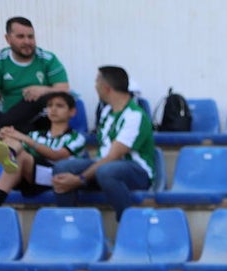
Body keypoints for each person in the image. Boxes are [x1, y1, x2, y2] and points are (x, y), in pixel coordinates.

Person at [50, 66, 155, 220]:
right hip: (104, 169)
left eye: (96, 81)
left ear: (106, 88)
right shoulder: (107, 112)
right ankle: (69, 227)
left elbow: (113, 157)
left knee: (106, 170)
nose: (95, 86)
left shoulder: (134, 115)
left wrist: (80, 179)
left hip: (137, 173)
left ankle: (129, 227)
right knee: (62, 168)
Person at [0, 91, 86, 205]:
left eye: (59, 106)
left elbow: (56, 156)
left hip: (57, 177)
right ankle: (9, 152)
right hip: (31, 178)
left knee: (21, 157)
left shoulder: (76, 137)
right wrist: (7, 134)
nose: (53, 109)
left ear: (72, 111)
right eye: (50, 106)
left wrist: (25, 139)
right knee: (13, 143)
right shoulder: (36, 135)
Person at [0, 17, 70, 132]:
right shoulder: (0, 61)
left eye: (30, 37)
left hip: (42, 118)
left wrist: (43, 90)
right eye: (20, 36)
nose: (27, 41)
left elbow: (64, 89)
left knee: (36, 99)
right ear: (8, 39)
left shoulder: (47, 59)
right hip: (12, 120)